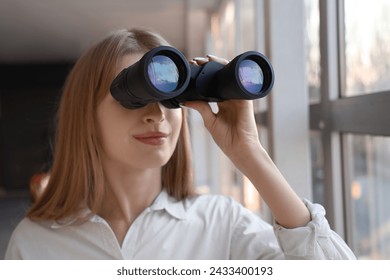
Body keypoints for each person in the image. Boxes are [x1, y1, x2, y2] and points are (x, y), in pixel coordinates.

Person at [5, 28, 355, 260]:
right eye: (135, 98)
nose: (156, 114)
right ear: (86, 115)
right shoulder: (36, 241)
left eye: (171, 99)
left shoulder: (221, 224)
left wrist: (251, 154)